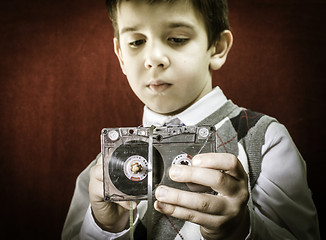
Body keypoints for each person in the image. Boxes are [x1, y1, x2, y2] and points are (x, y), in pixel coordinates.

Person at [62, 0, 320, 239]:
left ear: (217, 48)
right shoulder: (104, 167)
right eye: (137, 42)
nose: (153, 59)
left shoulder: (265, 139)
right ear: (120, 56)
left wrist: (240, 229)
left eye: (177, 38)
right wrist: (104, 227)